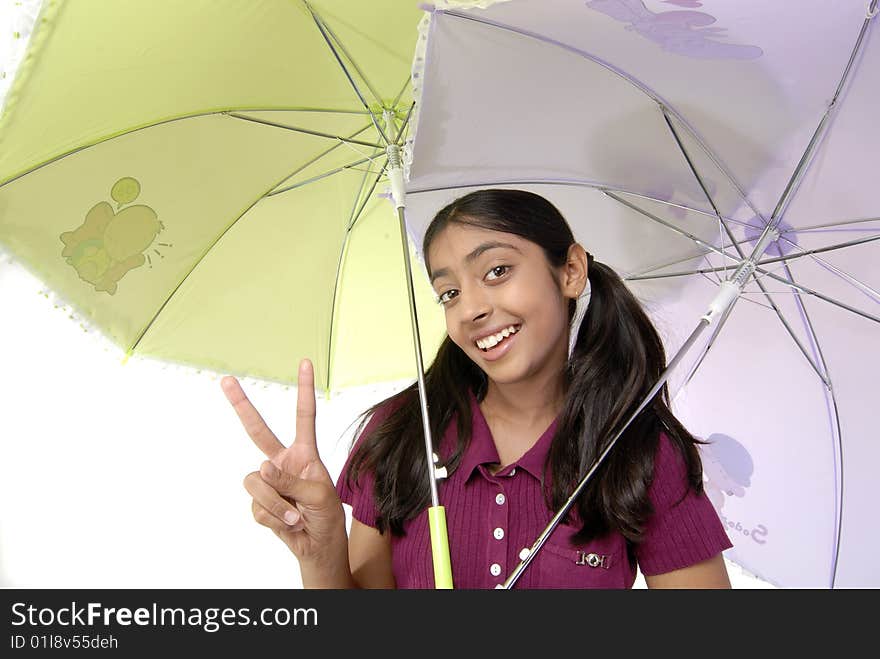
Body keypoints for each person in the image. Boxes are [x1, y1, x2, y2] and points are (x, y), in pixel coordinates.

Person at [222, 188, 733, 589]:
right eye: (449, 292)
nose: (469, 310)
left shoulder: (641, 452)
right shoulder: (402, 434)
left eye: (497, 270)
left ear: (570, 271)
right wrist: (321, 556)